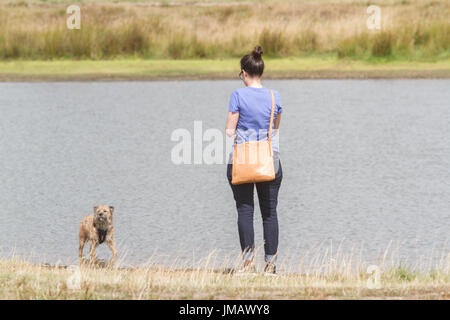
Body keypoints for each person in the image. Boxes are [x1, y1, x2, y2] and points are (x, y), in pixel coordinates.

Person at [225, 45, 283, 275]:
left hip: (243, 161)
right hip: (270, 160)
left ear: (244, 73)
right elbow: (276, 128)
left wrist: (238, 126)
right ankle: (271, 266)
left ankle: (248, 264)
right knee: (269, 212)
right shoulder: (274, 95)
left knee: (245, 210)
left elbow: (230, 130)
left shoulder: (238, 95)